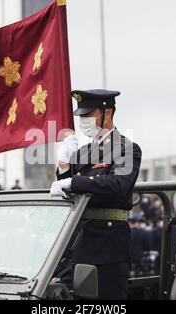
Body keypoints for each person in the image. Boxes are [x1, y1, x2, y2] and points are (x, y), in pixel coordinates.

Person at [50, 89, 142, 299]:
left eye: (87, 115)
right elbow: (65, 191)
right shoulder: (82, 152)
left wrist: (73, 180)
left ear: (107, 113)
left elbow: (119, 184)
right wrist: (64, 166)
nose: (83, 121)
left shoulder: (126, 148)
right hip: (78, 241)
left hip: (107, 245)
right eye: (81, 116)